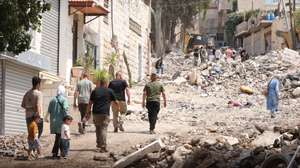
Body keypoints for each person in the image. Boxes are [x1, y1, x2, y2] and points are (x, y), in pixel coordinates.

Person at [85, 77, 118, 152]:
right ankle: (103, 146)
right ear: (106, 83)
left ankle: (99, 144)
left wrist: (88, 112)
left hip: (96, 113)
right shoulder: (110, 91)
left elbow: (90, 103)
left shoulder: (95, 91)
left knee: (98, 128)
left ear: (100, 83)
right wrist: (118, 108)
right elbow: (116, 102)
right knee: (103, 129)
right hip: (105, 113)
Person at [46, 85, 69, 158]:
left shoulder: (52, 100)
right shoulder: (64, 100)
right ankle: (58, 153)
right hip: (61, 122)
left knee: (58, 137)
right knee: (61, 138)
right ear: (63, 91)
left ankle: (59, 153)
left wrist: (46, 118)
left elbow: (48, 111)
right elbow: (65, 110)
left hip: (53, 122)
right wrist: (68, 119)